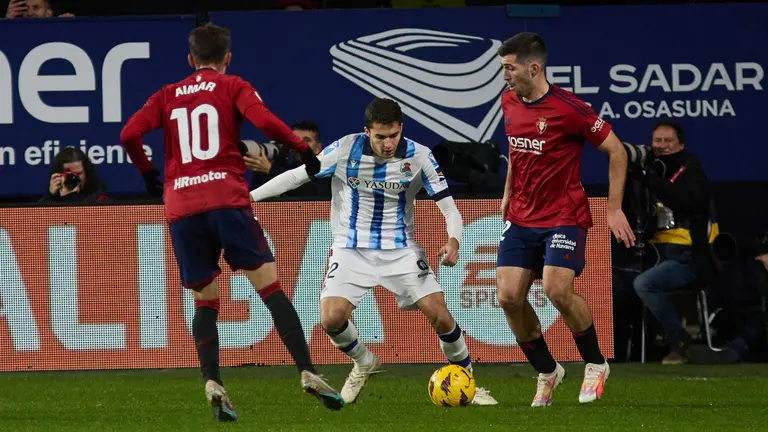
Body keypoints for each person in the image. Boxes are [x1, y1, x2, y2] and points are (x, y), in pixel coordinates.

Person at [119, 22, 342, 422]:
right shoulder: (234, 85)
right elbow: (266, 121)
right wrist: (301, 150)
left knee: (205, 300)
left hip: (182, 207)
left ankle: (212, 381)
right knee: (270, 288)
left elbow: (129, 133)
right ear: (227, 57)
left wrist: (147, 172)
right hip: (226, 200)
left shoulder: (166, 95)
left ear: (190, 59)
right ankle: (307, 371)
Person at [249, 97, 498, 406]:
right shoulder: (345, 149)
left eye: (393, 135)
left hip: (401, 250)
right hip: (351, 249)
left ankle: (469, 384)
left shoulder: (419, 156)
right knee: (331, 319)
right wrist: (249, 198)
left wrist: (454, 240)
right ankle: (364, 361)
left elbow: (449, 208)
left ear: (401, 129)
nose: (388, 143)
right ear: (367, 131)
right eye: (380, 137)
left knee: (441, 317)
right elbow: (296, 176)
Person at [495, 32, 635, 407]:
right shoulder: (509, 101)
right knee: (508, 298)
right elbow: (517, 149)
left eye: (509, 68)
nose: (504, 76)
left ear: (534, 67)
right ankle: (548, 371)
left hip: (563, 214)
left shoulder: (570, 109)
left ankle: (595, 363)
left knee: (557, 290)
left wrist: (613, 208)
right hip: (521, 214)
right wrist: (508, 190)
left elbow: (617, 152)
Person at [630, 120, 718, 364]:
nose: (662, 145)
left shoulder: (692, 173)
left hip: (689, 258)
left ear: (681, 145)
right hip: (655, 255)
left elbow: (687, 203)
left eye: (668, 141)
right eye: (657, 141)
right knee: (618, 281)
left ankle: (679, 343)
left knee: (644, 284)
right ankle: (629, 349)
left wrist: (650, 179)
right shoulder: (652, 172)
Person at [40, 147, 109, 203]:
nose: (74, 178)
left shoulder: (98, 194)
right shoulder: (52, 196)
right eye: (69, 174)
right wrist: (50, 196)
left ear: (86, 172)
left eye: (78, 173)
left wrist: (70, 197)